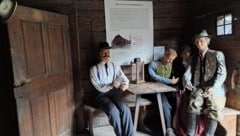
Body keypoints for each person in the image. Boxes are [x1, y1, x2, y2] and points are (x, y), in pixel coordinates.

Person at [183, 30, 227, 136]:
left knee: (214, 107)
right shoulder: (193, 58)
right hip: (199, 87)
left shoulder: (217, 54)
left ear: (207, 42)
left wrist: (214, 87)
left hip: (215, 88)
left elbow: (222, 73)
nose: (198, 43)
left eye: (201, 41)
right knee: (193, 104)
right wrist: (187, 81)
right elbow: (187, 73)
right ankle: (190, 134)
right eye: (197, 41)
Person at [89, 42, 134, 136]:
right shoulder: (94, 69)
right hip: (100, 96)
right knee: (113, 111)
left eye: (108, 52)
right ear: (99, 53)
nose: (107, 55)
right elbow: (98, 87)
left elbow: (124, 78)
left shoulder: (114, 66)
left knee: (125, 109)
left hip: (114, 93)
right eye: (104, 53)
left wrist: (125, 84)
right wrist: (111, 84)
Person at [148, 48, 179, 136]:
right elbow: (154, 76)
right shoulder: (153, 64)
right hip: (155, 90)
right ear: (164, 56)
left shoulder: (171, 63)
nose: (170, 61)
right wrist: (169, 81)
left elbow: (176, 75)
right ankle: (169, 129)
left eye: (172, 60)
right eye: (169, 59)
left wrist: (176, 81)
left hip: (167, 89)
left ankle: (177, 126)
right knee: (165, 104)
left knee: (177, 99)